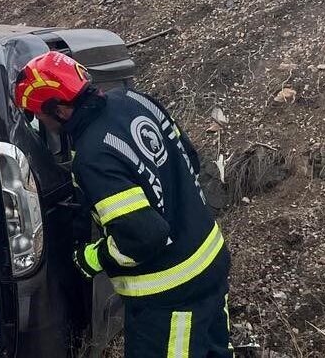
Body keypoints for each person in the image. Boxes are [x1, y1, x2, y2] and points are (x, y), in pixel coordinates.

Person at [13, 51, 231, 358]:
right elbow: (189, 159)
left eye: (39, 115)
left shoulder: (92, 156)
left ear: (60, 110)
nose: (41, 122)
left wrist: (91, 258)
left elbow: (142, 238)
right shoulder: (137, 100)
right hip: (210, 261)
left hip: (170, 295)